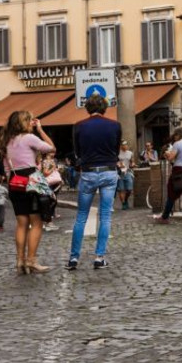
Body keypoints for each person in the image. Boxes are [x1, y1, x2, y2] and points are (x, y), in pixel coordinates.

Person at [67, 94, 123, 271]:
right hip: (108, 170)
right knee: (105, 216)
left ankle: (73, 258)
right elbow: (116, 150)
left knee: (81, 216)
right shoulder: (115, 125)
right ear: (104, 108)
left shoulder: (79, 126)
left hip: (89, 172)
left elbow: (77, 152)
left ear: (87, 108)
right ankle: (99, 257)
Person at [0, 111, 57, 274]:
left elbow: (6, 168)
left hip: (15, 181)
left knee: (21, 223)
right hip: (31, 180)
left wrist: (13, 181)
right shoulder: (29, 138)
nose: (33, 122)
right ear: (25, 122)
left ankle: (20, 261)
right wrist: (40, 129)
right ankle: (31, 260)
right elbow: (51, 148)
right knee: (36, 222)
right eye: (30, 120)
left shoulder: (6, 141)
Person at [117, 141, 136, 210]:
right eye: (123, 145)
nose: (125, 146)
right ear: (120, 146)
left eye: (126, 145)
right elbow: (115, 162)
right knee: (121, 189)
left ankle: (126, 199)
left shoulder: (130, 153)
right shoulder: (117, 153)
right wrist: (118, 165)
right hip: (120, 172)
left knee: (129, 189)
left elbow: (132, 161)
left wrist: (133, 164)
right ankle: (123, 203)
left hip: (128, 172)